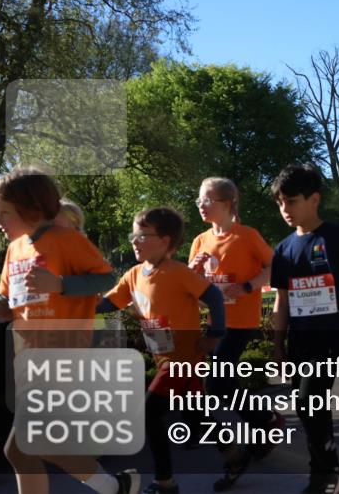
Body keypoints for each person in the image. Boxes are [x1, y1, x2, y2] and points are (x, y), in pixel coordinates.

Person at [0, 168, 139, 494]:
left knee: (24, 446)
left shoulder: (67, 240)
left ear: (32, 209)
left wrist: (61, 284)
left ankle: (116, 486)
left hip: (62, 358)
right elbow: (9, 305)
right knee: (29, 449)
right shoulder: (14, 250)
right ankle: (116, 486)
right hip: (27, 361)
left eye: (3, 213)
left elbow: (107, 278)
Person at [98, 207, 225, 494]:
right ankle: (234, 454)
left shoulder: (177, 271)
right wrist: (72, 302)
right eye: (134, 235)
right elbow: (108, 304)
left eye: (142, 235)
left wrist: (215, 335)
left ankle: (165, 482)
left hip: (184, 359)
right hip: (164, 357)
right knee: (194, 416)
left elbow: (214, 297)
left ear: (165, 241)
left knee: (150, 413)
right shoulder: (132, 275)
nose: (134, 240)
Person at [269, 164, 339, 494]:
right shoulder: (283, 249)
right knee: (310, 405)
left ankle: (330, 472)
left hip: (331, 335)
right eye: (280, 202)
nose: (285, 209)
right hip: (299, 339)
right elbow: (281, 302)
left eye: (291, 201)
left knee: (307, 400)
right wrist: (277, 344)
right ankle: (325, 472)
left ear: (314, 199)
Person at [187, 177, 278, 489]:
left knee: (216, 387)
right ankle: (263, 420)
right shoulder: (199, 241)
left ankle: (240, 451)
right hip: (214, 323)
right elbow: (192, 291)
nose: (201, 204)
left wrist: (248, 286)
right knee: (223, 385)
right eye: (199, 199)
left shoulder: (247, 235)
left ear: (227, 203)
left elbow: (274, 267)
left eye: (207, 199)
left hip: (239, 322)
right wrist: (195, 274)